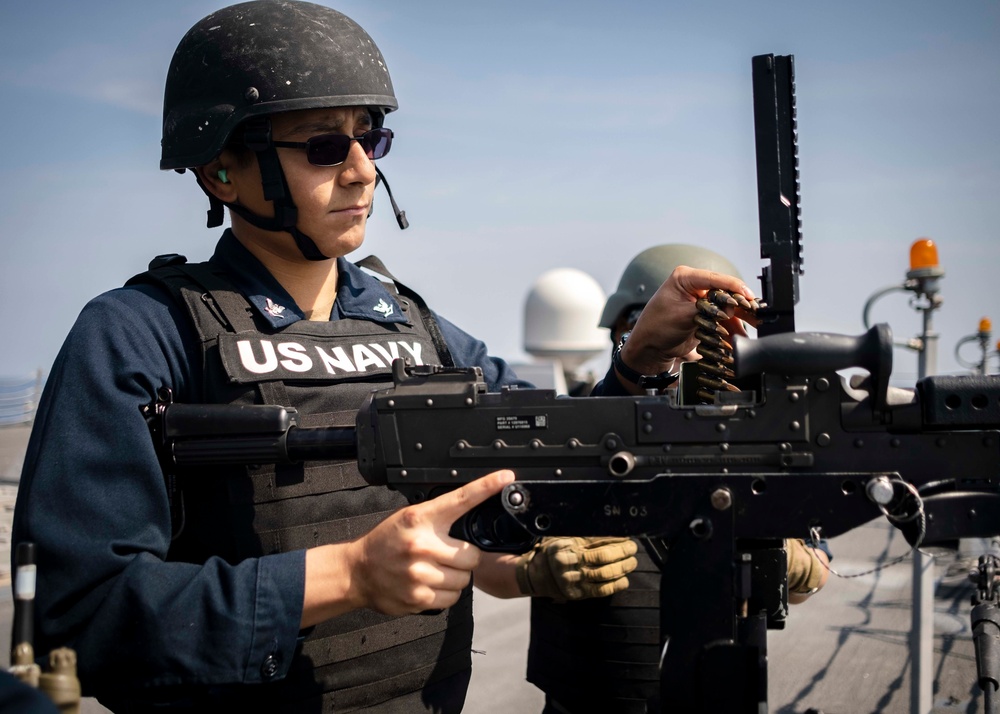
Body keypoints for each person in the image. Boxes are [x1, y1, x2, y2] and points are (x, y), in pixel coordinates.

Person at [11, 3, 758, 711]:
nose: (363, 169)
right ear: (221, 172)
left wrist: (635, 363)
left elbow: (545, 453)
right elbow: (81, 614)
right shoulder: (140, 333)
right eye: (324, 145)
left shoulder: (419, 331)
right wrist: (350, 575)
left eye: (372, 138)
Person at [523, 245, 832, 714]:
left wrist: (797, 561)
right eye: (669, 332)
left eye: (705, 337)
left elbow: (819, 561)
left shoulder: (762, 441)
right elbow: (484, 553)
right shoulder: (571, 429)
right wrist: (533, 572)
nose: (685, 353)